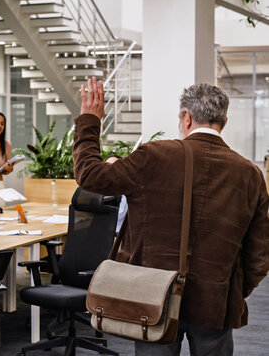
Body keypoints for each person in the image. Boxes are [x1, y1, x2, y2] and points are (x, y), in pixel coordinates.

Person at [74, 77, 269, 355]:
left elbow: (90, 175)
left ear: (186, 117)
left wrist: (90, 121)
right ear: (223, 121)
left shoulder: (154, 156)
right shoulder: (250, 174)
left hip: (153, 297)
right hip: (216, 300)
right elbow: (259, 253)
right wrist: (233, 288)